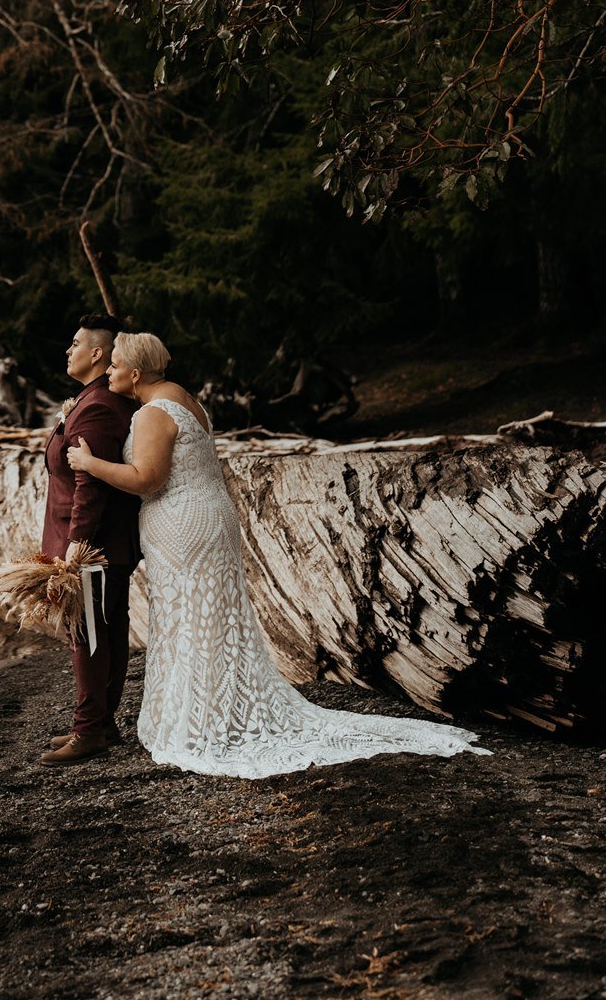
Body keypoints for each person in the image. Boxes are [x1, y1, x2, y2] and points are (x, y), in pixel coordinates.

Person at [67, 332, 488, 778]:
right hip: (208, 515)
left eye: (113, 366)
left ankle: (204, 721)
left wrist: (90, 465)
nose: (108, 372)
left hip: (181, 522)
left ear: (134, 373)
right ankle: (214, 710)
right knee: (208, 619)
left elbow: (147, 479)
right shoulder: (184, 399)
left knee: (189, 619)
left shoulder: (152, 413)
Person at [38, 314, 141, 765]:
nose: (68, 350)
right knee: (106, 632)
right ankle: (101, 723)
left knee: (87, 634)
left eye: (75, 343)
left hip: (94, 546)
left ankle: (89, 731)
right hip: (101, 544)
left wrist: (77, 546)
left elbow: (90, 485)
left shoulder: (98, 405)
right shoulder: (90, 399)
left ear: (97, 353)